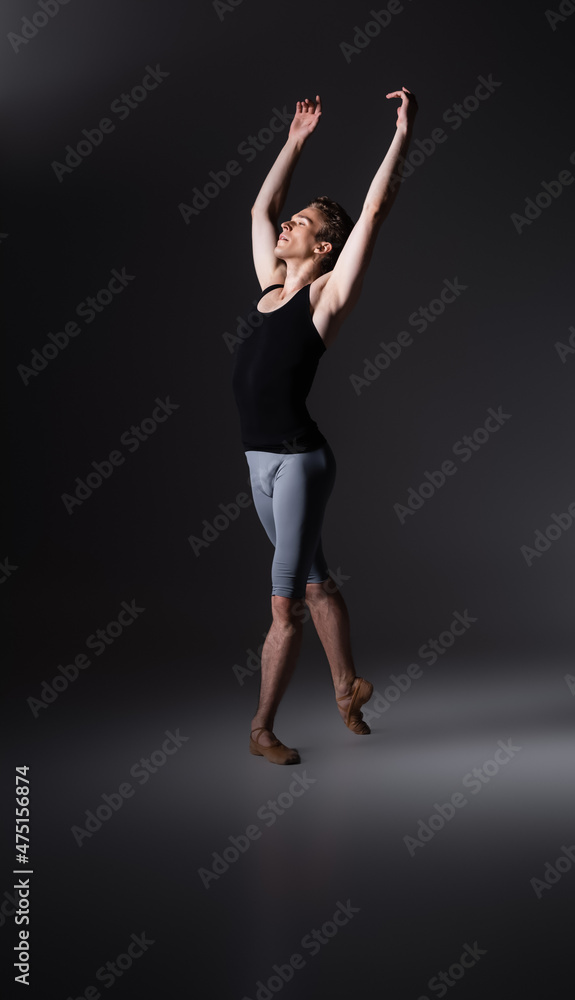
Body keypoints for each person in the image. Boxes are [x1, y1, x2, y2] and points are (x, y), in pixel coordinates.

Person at [232, 87, 418, 764]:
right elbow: (259, 208)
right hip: (258, 466)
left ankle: (261, 729)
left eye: (300, 222)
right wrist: (295, 141)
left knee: (285, 607)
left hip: (297, 463)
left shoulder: (323, 298)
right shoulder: (270, 288)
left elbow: (371, 211)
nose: (285, 227)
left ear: (325, 243)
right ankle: (348, 688)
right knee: (315, 581)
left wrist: (400, 133)